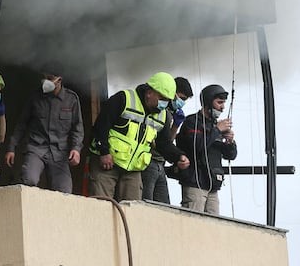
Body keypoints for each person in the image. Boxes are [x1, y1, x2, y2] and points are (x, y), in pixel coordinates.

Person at [88, 72, 190, 201]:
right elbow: (101, 126)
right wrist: (104, 152)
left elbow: (163, 143)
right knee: (101, 205)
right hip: (108, 164)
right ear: (149, 92)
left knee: (132, 210)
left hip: (133, 170)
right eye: (161, 98)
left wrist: (178, 156)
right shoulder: (124, 99)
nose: (164, 103)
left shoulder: (162, 115)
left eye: (167, 100)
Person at [3, 63, 83, 193]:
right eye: (44, 77)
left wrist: (76, 149)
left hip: (59, 153)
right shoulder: (35, 98)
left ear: (59, 80)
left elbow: (77, 128)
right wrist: (11, 148)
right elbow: (21, 124)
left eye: (50, 78)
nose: (45, 81)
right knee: (28, 180)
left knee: (64, 191)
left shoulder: (71, 99)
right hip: (36, 148)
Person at [176, 84, 237, 214]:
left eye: (223, 103)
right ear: (208, 102)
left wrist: (230, 141)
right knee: (192, 223)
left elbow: (230, 155)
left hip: (213, 186)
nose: (222, 107)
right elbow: (196, 146)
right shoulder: (192, 121)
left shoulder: (216, 125)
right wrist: (216, 131)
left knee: (214, 226)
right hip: (195, 184)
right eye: (219, 102)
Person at [142, 76, 194, 203]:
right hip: (148, 161)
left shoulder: (172, 113)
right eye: (180, 98)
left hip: (161, 162)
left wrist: (176, 126)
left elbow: (167, 141)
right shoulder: (157, 110)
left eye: (184, 100)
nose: (181, 102)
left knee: (163, 205)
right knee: (146, 201)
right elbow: (156, 141)